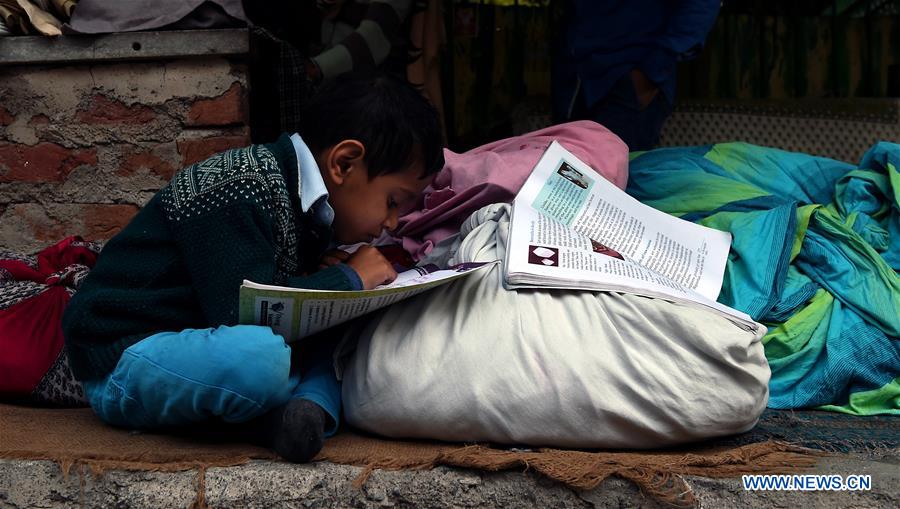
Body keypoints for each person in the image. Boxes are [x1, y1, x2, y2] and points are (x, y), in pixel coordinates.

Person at [61, 73, 445, 463]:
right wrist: (345, 280)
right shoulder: (242, 184)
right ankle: (269, 420)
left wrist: (328, 281)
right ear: (344, 163)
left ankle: (302, 413)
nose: (393, 223)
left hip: (203, 346)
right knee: (259, 359)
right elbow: (239, 314)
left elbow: (272, 287)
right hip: (130, 357)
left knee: (335, 340)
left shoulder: (311, 210)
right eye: (393, 201)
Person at [552, 0, 721, 151]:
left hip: (629, 76)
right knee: (562, 173)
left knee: (615, 177)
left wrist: (652, 71)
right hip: (574, 78)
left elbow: (701, 6)